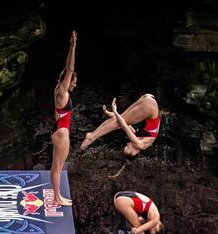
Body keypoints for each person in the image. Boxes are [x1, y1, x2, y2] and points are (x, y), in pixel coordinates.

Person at [81, 94, 161, 157]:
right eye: (128, 148)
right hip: (150, 106)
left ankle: (92, 135)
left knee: (119, 120)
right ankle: (91, 137)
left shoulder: (139, 138)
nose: (127, 144)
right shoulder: (140, 145)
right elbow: (124, 126)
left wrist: (110, 114)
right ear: (133, 153)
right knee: (119, 123)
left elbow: (124, 122)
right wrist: (115, 111)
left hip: (148, 99)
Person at [50, 31, 77, 208]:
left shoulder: (59, 91)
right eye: (74, 81)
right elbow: (69, 69)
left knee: (57, 167)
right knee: (58, 168)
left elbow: (68, 71)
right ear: (67, 82)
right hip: (61, 133)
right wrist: (72, 47)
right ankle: (57, 198)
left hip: (59, 131)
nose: (75, 84)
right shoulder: (62, 92)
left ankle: (57, 196)